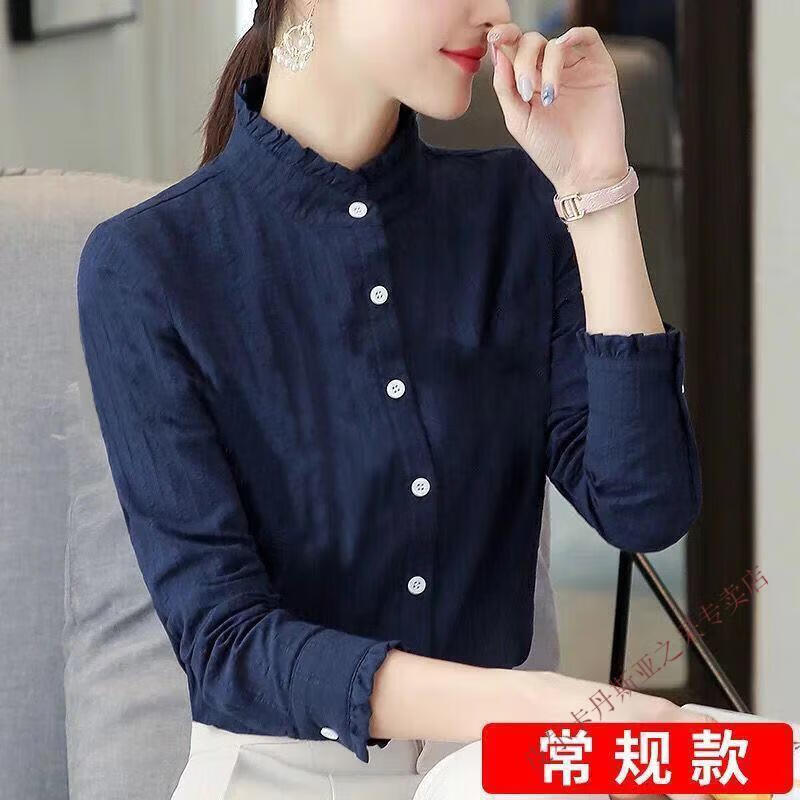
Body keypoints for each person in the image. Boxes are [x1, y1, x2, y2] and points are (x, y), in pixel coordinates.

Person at [75, 1, 714, 798]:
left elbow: (644, 508)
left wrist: (597, 187)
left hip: (498, 769)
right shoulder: (148, 266)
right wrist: (531, 703)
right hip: (284, 774)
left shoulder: (515, 211)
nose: (496, 13)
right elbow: (227, 644)